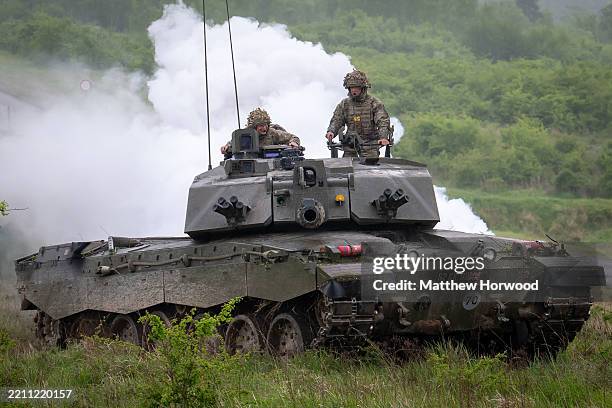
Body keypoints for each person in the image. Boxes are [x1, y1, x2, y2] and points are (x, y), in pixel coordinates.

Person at [325, 70, 391, 158]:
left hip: (369, 144)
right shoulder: (345, 104)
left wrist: (383, 137)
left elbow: (382, 120)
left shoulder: (374, 103)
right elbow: (337, 120)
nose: (354, 90)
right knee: (346, 167)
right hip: (350, 144)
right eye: (352, 87)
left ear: (363, 88)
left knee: (371, 166)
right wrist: (331, 132)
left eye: (357, 87)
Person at [221, 108, 300, 155]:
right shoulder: (246, 134)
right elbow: (233, 143)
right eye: (261, 126)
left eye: (266, 125)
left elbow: (292, 137)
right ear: (254, 127)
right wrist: (226, 147)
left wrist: (294, 142)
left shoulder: (272, 133)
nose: (264, 128)